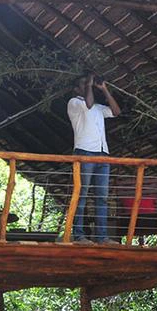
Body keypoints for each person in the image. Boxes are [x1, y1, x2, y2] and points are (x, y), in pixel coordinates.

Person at [67, 74, 121, 243]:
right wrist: (90, 85)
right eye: (83, 84)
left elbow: (116, 112)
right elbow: (88, 104)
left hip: (102, 153)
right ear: (76, 89)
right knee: (81, 194)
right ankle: (79, 235)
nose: (87, 85)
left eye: (88, 84)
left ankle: (102, 237)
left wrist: (104, 89)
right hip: (85, 153)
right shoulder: (74, 103)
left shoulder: (97, 107)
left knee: (102, 197)